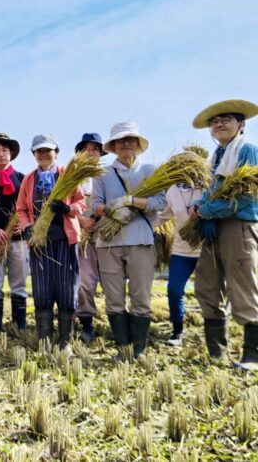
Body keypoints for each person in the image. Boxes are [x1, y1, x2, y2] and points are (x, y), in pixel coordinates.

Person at [189, 99, 258, 370]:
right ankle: (216, 352)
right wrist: (200, 208)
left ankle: (253, 356)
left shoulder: (247, 151)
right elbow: (210, 191)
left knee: (243, 287)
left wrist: (206, 210)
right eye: (214, 122)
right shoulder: (215, 156)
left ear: (240, 124)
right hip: (213, 228)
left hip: (238, 226)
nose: (218, 124)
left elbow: (245, 198)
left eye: (225, 119)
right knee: (206, 285)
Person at [91, 122, 167, 358]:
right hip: (109, 242)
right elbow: (94, 205)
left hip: (140, 241)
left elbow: (161, 203)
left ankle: (139, 350)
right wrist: (111, 209)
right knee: (113, 298)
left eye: (130, 139)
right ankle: (123, 349)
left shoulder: (150, 171)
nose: (125, 143)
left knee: (140, 297)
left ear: (137, 144)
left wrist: (131, 202)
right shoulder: (102, 173)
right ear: (112, 146)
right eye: (120, 140)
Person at [16, 134, 85, 351]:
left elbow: (81, 202)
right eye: (39, 151)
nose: (44, 154)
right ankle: (44, 337)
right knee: (42, 288)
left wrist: (68, 209)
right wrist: (27, 227)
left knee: (66, 288)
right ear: (33, 154)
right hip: (39, 242)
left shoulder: (68, 175)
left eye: (48, 150)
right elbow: (21, 209)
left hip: (65, 239)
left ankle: (65, 339)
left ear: (56, 152)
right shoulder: (28, 180)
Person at [0, 133, 29, 332]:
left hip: (18, 240)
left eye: (4, 150)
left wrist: (23, 224)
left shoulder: (23, 179)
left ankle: (20, 326)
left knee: (19, 283)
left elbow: (29, 208)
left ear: (11, 153)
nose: (1, 154)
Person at [156, 158, 204, 346]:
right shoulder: (173, 191)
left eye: (189, 167)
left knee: (208, 293)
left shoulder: (206, 188)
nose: (185, 171)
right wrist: (137, 221)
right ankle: (178, 331)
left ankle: (214, 331)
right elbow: (163, 216)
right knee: (174, 290)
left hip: (205, 250)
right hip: (181, 251)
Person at [73, 133, 107, 342]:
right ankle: (87, 323)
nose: (91, 152)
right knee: (85, 281)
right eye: (86, 148)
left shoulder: (108, 174)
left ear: (101, 153)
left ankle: (119, 320)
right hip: (81, 234)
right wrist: (81, 220)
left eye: (95, 148)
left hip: (107, 234)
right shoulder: (72, 175)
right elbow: (64, 202)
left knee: (114, 280)